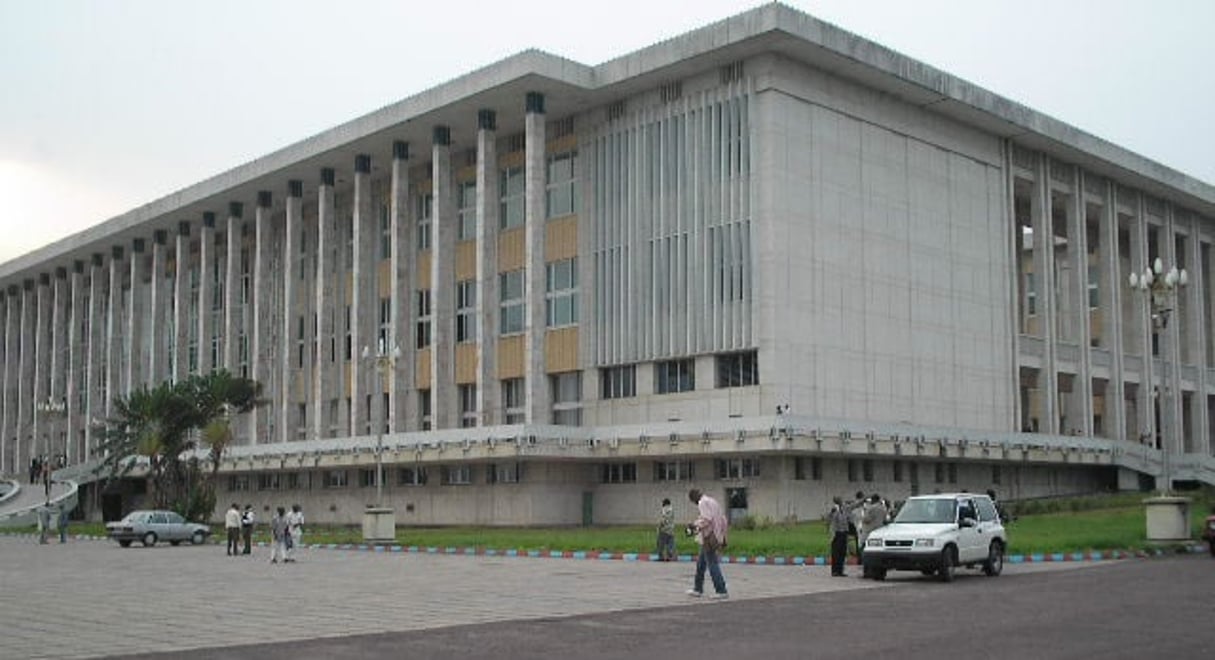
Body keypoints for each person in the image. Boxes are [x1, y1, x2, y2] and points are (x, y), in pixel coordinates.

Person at [685, 488, 728, 599]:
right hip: (716, 535)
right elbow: (723, 520)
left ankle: (721, 590)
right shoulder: (713, 502)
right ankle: (697, 588)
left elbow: (706, 519)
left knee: (712, 563)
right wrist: (723, 536)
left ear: (694, 498)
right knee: (701, 564)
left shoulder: (702, 502)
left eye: (692, 501)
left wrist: (694, 525)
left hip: (708, 537)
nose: (695, 503)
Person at [859, 494, 888, 561]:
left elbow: (866, 519)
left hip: (869, 530)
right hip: (880, 530)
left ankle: (864, 561)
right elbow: (885, 520)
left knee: (864, 547)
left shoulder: (871, 508)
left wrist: (862, 517)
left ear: (873, 500)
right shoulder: (883, 508)